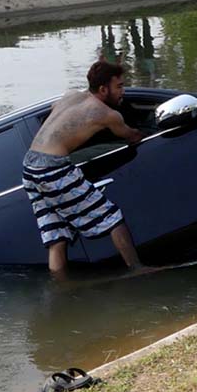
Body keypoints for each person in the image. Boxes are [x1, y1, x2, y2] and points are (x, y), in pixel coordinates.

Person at [21, 60, 148, 275]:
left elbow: (54, 110)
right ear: (103, 89)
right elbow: (133, 136)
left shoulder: (71, 95)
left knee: (56, 232)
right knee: (111, 217)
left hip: (29, 167)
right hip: (53, 168)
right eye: (119, 86)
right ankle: (137, 269)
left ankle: (61, 285)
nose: (123, 92)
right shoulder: (107, 114)